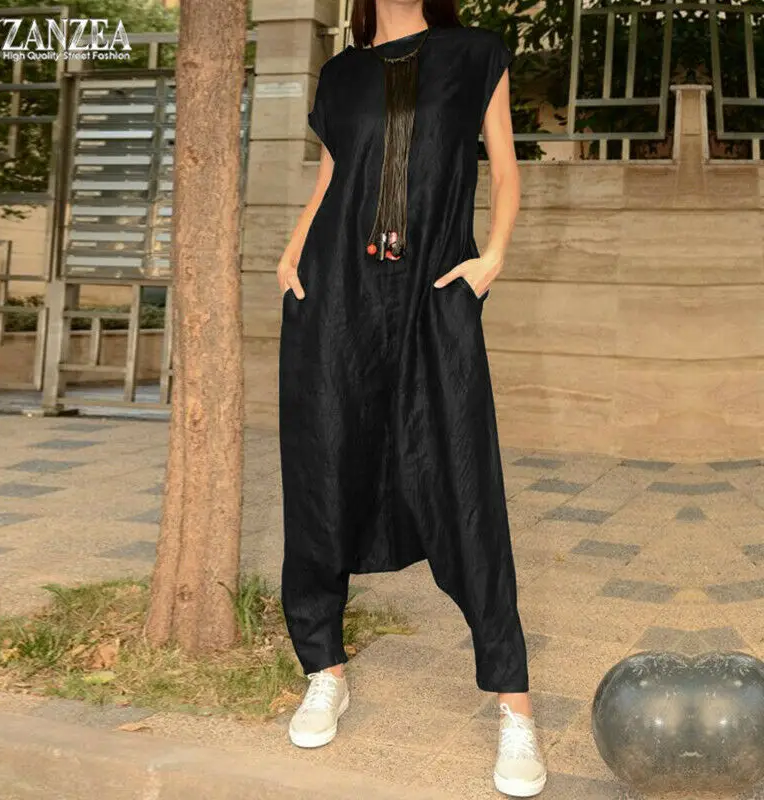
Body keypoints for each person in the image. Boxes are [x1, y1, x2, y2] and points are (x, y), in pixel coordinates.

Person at [276, 0, 546, 795]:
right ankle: (324, 668)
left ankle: (515, 704)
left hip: (434, 290)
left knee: (463, 478)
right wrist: (291, 257)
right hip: (335, 295)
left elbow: (505, 167)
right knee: (323, 471)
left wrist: (492, 257)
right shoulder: (341, 73)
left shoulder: (475, 54)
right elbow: (332, 179)